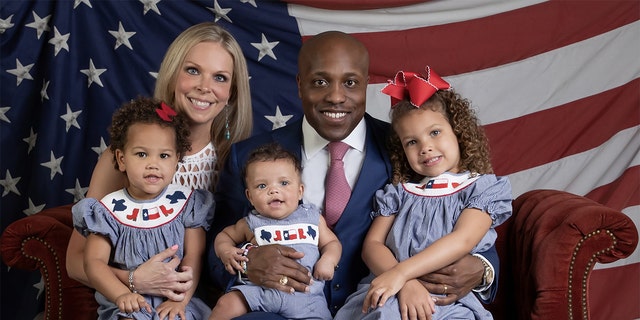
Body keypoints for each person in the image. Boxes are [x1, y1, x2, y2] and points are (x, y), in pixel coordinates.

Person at [210, 31, 500, 319]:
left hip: (387, 301)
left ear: (365, 85)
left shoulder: (408, 147)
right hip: (281, 306)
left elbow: (456, 218)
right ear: (300, 86)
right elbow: (211, 252)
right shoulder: (250, 156)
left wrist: (481, 268)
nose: (336, 97)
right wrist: (247, 262)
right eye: (320, 82)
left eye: (350, 83)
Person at [66, 22, 253, 302]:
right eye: (193, 71)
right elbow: (75, 263)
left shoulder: (237, 159)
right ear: (172, 75)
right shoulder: (125, 158)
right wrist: (135, 280)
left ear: (232, 93)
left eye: (220, 78)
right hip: (136, 302)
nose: (205, 87)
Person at [333, 68, 512, 320]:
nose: (425, 147)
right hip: (392, 292)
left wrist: (403, 272)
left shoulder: (481, 189)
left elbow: (463, 240)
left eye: (435, 133)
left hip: (448, 298)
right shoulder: (399, 193)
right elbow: (372, 245)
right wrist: (402, 280)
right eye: (412, 142)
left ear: (458, 133)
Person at [72, 97, 214, 319]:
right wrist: (121, 295)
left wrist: (181, 301)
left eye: (164, 155)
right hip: (130, 302)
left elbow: (194, 257)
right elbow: (94, 262)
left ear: (177, 160)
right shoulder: (108, 211)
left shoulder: (187, 203)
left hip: (176, 300)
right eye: (141, 154)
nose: (153, 164)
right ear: (121, 159)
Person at [209, 142, 342, 320]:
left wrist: (328, 260)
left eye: (284, 183)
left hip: (305, 297)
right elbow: (224, 236)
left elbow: (331, 243)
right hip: (258, 290)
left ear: (300, 191)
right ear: (250, 196)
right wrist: (226, 251)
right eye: (262, 186)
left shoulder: (312, 218)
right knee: (225, 304)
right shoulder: (250, 222)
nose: (274, 190)